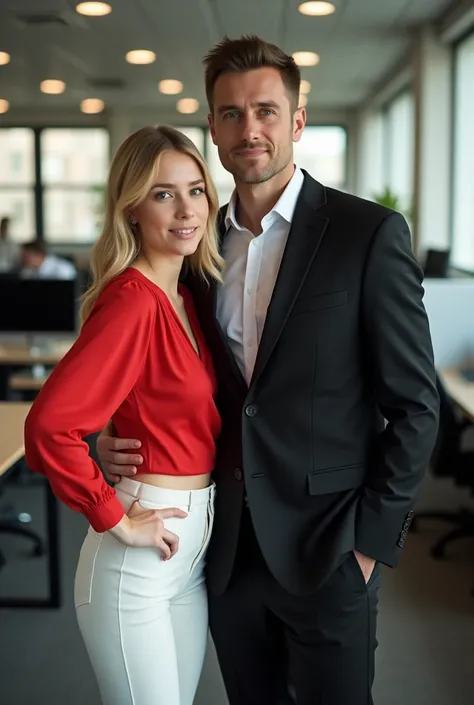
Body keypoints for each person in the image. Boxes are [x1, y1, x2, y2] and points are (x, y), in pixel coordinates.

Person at [97, 36, 440, 705]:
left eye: (265, 111)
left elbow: (416, 404)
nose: (248, 128)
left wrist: (369, 544)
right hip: (223, 551)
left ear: (297, 121)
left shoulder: (366, 234)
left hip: (331, 550)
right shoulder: (193, 247)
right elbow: (160, 365)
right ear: (213, 128)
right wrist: (109, 432)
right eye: (229, 113)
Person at [24, 125, 223, 705]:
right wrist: (114, 517)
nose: (186, 209)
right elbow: (49, 428)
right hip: (138, 556)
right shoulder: (134, 300)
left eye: (195, 189)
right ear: (132, 206)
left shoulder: (182, 297)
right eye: (163, 194)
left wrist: (116, 426)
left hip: (188, 552)